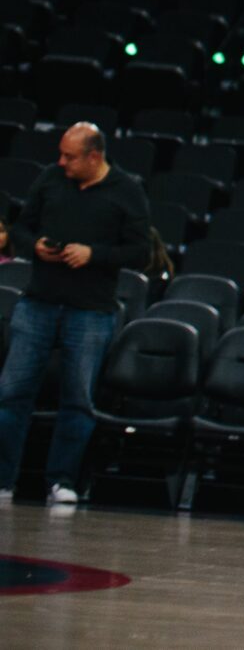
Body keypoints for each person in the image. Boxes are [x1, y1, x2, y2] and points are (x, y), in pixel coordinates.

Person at [0, 123, 151, 505]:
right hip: (39, 300)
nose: (61, 162)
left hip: (90, 309)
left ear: (94, 157)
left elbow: (140, 253)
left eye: (70, 156)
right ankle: (3, 479)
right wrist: (35, 245)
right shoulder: (51, 179)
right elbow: (21, 227)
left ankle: (62, 481)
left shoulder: (126, 191)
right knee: (11, 393)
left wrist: (94, 254)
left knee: (78, 398)